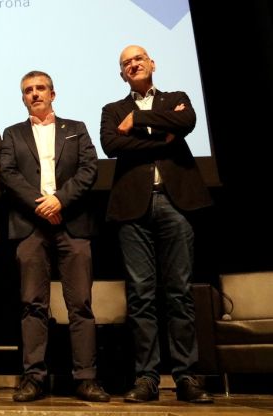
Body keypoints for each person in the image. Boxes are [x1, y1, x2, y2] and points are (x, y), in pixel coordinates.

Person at [100, 45, 213, 404]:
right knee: (141, 296)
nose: (133, 64)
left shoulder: (177, 98)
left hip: (176, 203)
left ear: (152, 64)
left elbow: (187, 123)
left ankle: (187, 377)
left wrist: (138, 122)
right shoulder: (113, 109)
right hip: (133, 208)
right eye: (126, 63)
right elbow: (110, 142)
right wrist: (158, 134)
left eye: (138, 58)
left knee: (179, 292)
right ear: (122, 75)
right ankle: (147, 378)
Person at [0, 70, 109, 402]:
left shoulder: (75, 129)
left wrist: (60, 200)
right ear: (23, 97)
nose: (35, 94)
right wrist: (41, 204)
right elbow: (7, 173)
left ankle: (86, 378)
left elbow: (90, 168)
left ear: (53, 93)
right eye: (28, 90)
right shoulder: (13, 133)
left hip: (72, 223)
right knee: (32, 305)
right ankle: (33, 377)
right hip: (31, 226)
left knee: (81, 306)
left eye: (40, 88)